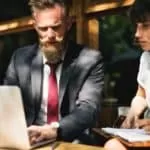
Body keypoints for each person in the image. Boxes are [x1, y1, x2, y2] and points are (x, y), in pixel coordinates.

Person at [4, 0, 104, 145]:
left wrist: (54, 130)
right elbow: (8, 105)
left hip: (70, 138)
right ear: (34, 26)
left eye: (56, 27)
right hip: (29, 139)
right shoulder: (20, 59)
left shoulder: (90, 60)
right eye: (43, 29)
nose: (50, 35)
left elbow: (89, 110)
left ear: (69, 23)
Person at [104, 0, 150, 149]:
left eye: (146, 26)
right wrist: (132, 115)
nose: (137, 34)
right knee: (112, 145)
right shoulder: (146, 58)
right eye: (137, 26)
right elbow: (142, 94)